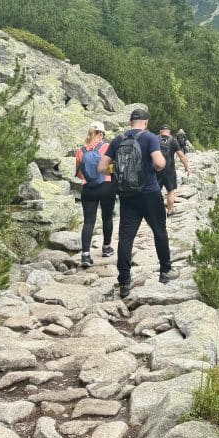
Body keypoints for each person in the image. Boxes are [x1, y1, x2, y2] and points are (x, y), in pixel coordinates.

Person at [99, 107, 178, 297]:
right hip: (150, 192)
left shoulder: (118, 139)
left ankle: (124, 282)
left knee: (126, 237)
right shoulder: (150, 138)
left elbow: (102, 168)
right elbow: (159, 163)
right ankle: (165, 271)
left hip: (127, 195)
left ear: (130, 122)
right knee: (159, 230)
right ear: (146, 122)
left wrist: (119, 171)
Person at [75, 121, 116, 268]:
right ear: (101, 134)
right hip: (106, 186)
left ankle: (85, 255)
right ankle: (106, 248)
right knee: (107, 217)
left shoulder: (80, 150)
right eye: (103, 134)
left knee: (89, 222)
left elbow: (79, 174)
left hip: (88, 189)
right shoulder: (107, 147)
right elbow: (112, 168)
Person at [157, 124, 190, 215]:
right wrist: (187, 167)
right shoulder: (173, 141)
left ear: (160, 131)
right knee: (170, 191)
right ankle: (170, 210)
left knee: (155, 191)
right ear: (169, 131)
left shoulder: (155, 139)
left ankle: (153, 211)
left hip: (156, 170)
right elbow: (181, 156)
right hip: (169, 171)